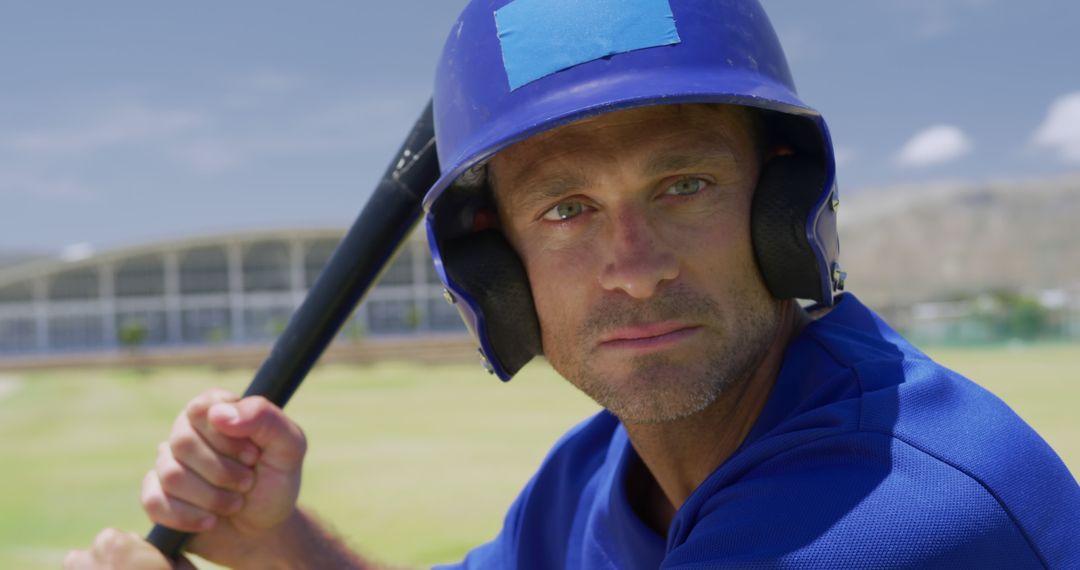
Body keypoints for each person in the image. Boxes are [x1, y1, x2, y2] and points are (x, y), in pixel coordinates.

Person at [66, 0, 1079, 568]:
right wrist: (273, 538)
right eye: (566, 210)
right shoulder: (596, 478)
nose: (633, 269)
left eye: (683, 186)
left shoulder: (893, 508)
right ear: (495, 267)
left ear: (785, 211)